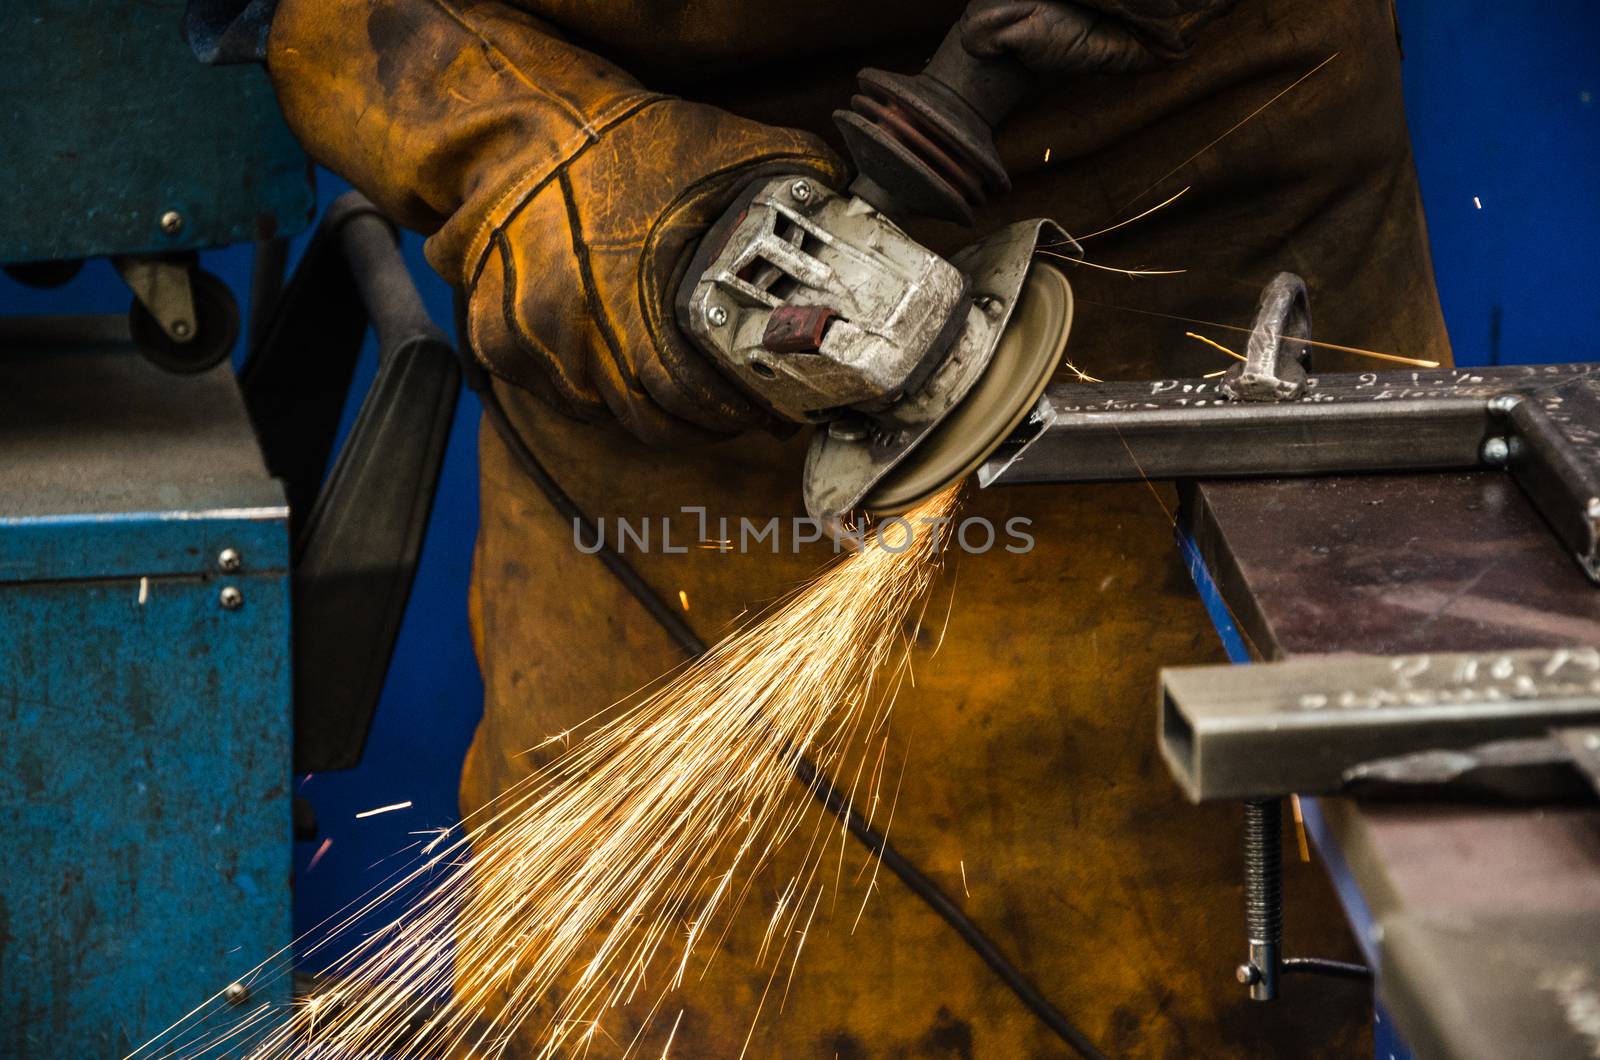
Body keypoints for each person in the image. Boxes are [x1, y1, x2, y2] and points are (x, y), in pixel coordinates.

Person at [263, 0, 1448, 1052]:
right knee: (646, 983)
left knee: (1213, 962)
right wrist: (574, 178)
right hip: (648, 367)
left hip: (1183, 228)